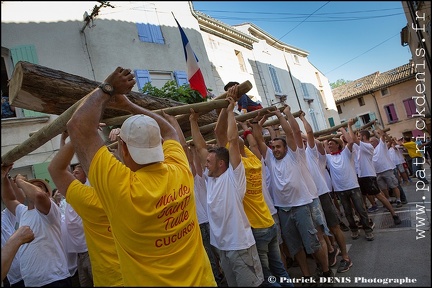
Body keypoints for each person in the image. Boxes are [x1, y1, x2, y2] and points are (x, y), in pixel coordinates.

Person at [66, 67, 216, 286]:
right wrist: (128, 105)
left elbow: (76, 125)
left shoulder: (121, 186)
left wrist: (108, 88)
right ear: (160, 145)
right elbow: (171, 132)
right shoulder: (179, 169)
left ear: (123, 148)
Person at [189, 88, 264, 287]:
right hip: (221, 246)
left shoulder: (234, 176)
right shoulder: (210, 178)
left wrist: (230, 110)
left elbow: (232, 139)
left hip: (240, 245)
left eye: (209, 162)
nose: (205, 164)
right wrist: (193, 122)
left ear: (221, 163)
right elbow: (200, 147)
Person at [249, 106, 332, 283]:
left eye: (279, 146)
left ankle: (326, 272)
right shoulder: (270, 158)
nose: (275, 149)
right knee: (295, 247)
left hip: (302, 205)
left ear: (287, 147)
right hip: (283, 209)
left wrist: (281, 114)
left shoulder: (295, 155)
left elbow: (291, 131)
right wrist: (256, 121)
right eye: (274, 147)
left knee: (313, 242)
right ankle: (307, 275)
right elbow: (257, 140)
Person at [48, 132, 123, 287]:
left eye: (78, 172)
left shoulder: (89, 199)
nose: (74, 174)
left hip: (106, 275)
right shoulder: (135, 191)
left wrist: (81, 133)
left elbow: (58, 169)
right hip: (128, 275)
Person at [299, 112, 353, 274]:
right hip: (309, 198)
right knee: (319, 233)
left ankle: (345, 257)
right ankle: (328, 258)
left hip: (322, 194)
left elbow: (311, 137)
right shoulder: (293, 154)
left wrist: (301, 122)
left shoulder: (311, 151)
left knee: (334, 227)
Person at [1, 164, 71, 287]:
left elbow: (39, 196)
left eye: (39, 187)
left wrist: (19, 180)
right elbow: (9, 199)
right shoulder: (23, 212)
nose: (34, 189)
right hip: (31, 283)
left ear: (47, 194)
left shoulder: (50, 211)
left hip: (54, 280)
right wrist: (4, 176)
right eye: (32, 186)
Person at [323, 125, 374, 241]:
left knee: (361, 210)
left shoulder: (346, 153)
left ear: (338, 145)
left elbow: (350, 141)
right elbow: (324, 148)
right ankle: (354, 230)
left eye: (332, 144)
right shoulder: (328, 158)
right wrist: (326, 141)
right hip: (340, 189)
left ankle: (367, 230)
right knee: (347, 212)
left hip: (353, 187)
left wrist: (343, 130)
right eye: (329, 144)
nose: (330, 146)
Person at [347, 120, 401, 226]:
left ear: (363, 137)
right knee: (360, 200)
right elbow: (351, 140)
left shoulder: (368, 146)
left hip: (368, 175)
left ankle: (394, 214)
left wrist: (349, 125)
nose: (357, 137)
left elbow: (353, 139)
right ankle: (365, 220)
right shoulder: (360, 146)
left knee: (379, 196)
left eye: (359, 135)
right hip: (361, 176)